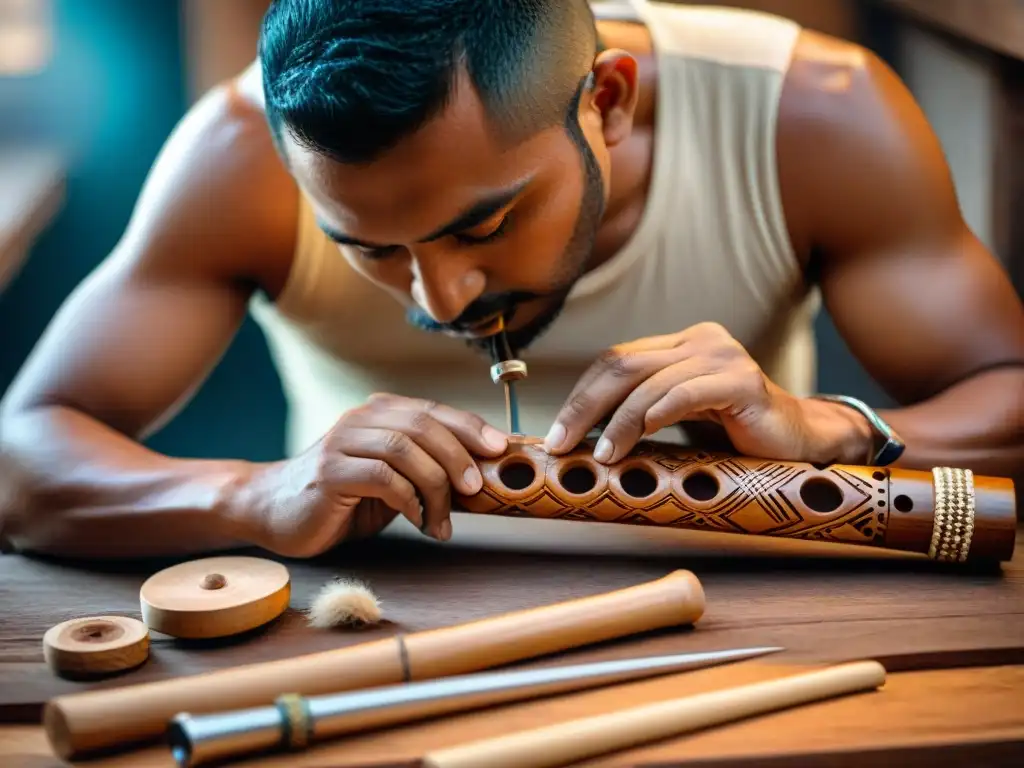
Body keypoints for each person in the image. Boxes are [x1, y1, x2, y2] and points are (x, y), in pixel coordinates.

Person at [0, 0, 1021, 560]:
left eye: (484, 221)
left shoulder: (814, 116)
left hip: (757, 604)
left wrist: (821, 432)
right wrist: (252, 497)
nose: (438, 299)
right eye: (367, 246)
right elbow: (21, 458)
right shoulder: (237, 153)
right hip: (362, 628)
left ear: (608, 103)